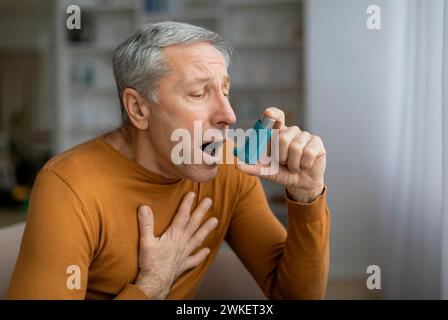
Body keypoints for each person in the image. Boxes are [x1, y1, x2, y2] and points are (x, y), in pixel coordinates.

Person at [7, 21, 330, 300]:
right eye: (199, 93)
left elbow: (295, 295)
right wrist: (150, 286)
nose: (228, 116)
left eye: (225, 91)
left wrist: (307, 197)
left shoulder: (230, 169)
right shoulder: (68, 187)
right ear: (138, 109)